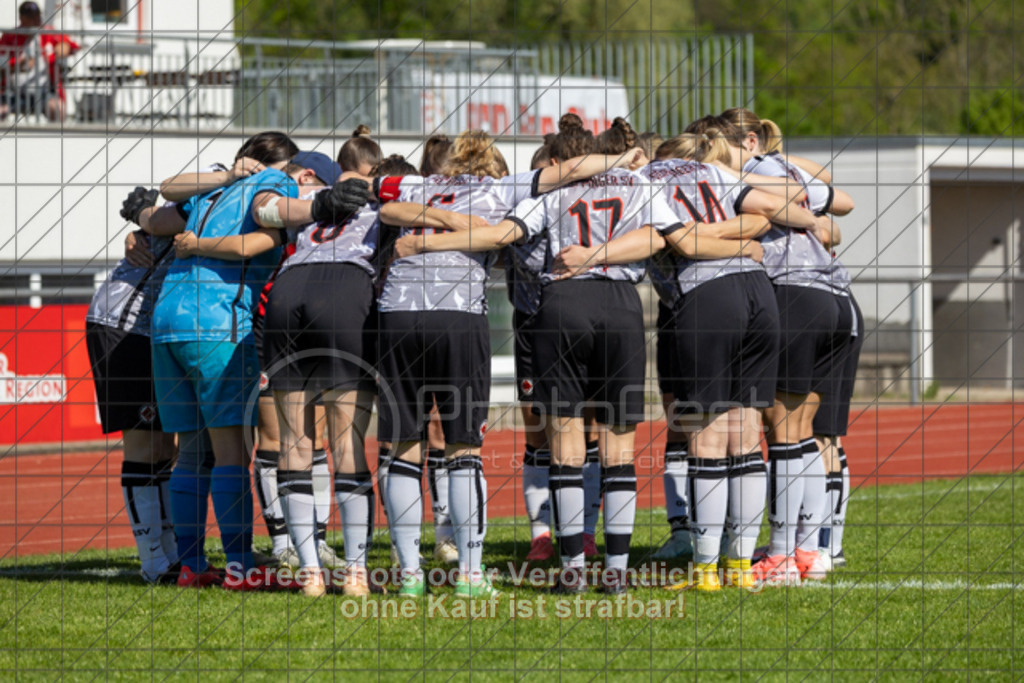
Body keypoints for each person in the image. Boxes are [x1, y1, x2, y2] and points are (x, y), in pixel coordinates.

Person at [393, 125, 670, 594]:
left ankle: (572, 571)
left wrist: (424, 242)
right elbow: (661, 239)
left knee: (564, 447)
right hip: (622, 305)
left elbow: (501, 234)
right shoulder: (637, 184)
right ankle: (618, 572)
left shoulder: (549, 192)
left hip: (559, 306)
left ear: (557, 162)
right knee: (619, 449)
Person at [128, 137, 363, 591]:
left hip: (168, 320)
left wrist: (147, 218)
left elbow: (165, 194)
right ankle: (239, 565)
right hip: (217, 320)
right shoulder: (276, 184)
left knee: (193, 454)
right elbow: (266, 222)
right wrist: (319, 209)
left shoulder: (214, 188)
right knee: (233, 452)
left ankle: (193, 565)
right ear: (302, 175)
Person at [704, 109, 856, 584]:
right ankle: (809, 552)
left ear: (744, 142)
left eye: (714, 145)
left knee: (782, 429)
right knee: (806, 431)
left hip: (794, 294)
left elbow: (817, 210)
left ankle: (784, 555)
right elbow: (840, 207)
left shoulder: (750, 172)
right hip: (834, 296)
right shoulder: (784, 167)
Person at [86, 201, 178, 584]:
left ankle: (173, 556)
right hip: (126, 328)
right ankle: (154, 562)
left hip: (156, 329)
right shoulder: (213, 190)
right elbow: (154, 211)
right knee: (147, 446)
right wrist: (141, 213)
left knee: (166, 448)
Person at [0, 1, 79, 121]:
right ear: (22, 17)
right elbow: (2, 64)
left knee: (58, 109)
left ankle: (57, 139)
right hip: (13, 92)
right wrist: (18, 64)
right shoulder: (10, 36)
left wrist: (63, 47)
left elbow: (72, 45)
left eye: (37, 15)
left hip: (43, 92)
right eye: (31, 16)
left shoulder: (48, 33)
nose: (36, 19)